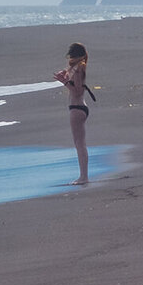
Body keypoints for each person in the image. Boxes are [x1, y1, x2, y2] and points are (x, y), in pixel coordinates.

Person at [53, 42, 94, 184]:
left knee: (80, 144)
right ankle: (83, 176)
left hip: (77, 108)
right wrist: (64, 77)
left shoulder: (78, 70)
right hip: (79, 108)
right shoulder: (76, 68)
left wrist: (64, 82)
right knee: (80, 143)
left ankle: (84, 177)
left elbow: (78, 91)